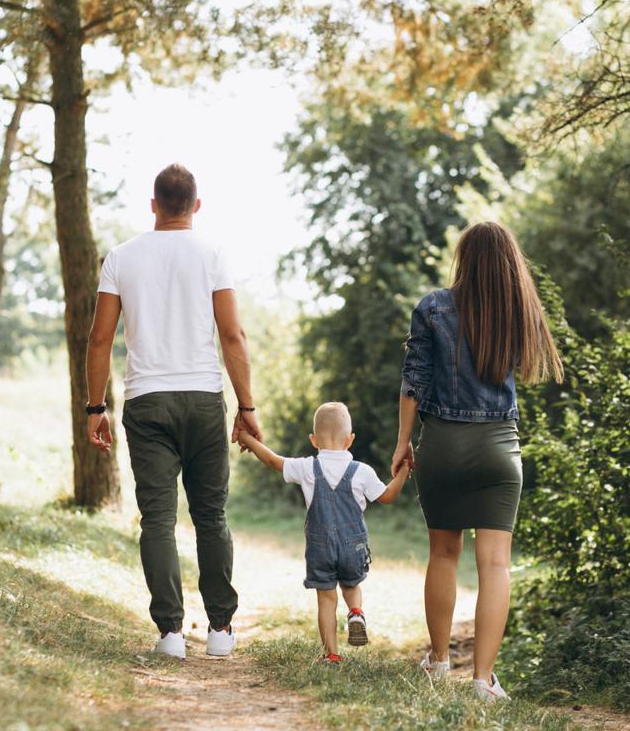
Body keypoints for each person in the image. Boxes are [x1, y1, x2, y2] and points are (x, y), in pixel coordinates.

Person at [84, 163, 261, 661]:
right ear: (196, 206)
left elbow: (99, 339)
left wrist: (95, 407)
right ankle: (221, 630)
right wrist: (246, 406)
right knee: (211, 515)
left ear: (153, 205)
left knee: (158, 519)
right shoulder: (213, 255)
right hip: (203, 399)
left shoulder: (120, 257)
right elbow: (232, 336)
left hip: (146, 402)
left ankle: (171, 634)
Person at [394, 221, 563, 700]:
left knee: (443, 554)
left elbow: (413, 380)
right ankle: (483, 680)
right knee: (495, 565)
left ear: (464, 258)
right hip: (498, 448)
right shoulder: (518, 307)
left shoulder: (432, 307)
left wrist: (403, 442)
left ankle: (438, 660)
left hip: (442, 445)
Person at [238, 402, 410, 662]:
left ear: (314, 440)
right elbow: (387, 496)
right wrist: (404, 472)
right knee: (351, 585)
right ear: (350, 440)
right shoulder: (362, 471)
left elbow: (273, 460)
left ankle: (332, 655)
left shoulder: (307, 467)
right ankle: (355, 612)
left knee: (326, 600)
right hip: (353, 547)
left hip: (320, 548)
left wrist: (246, 437)